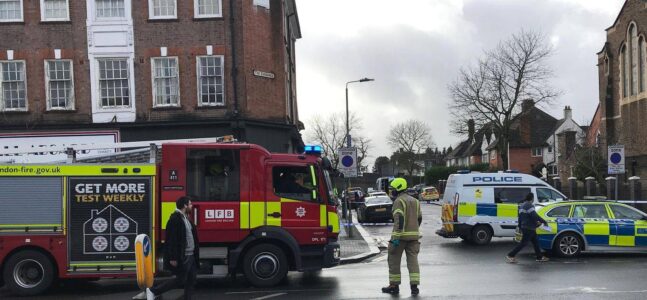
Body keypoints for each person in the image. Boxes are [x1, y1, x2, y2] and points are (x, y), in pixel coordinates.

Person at [147, 196, 200, 300]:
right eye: (190, 204)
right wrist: (173, 257)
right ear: (185, 205)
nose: (191, 206)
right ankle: (154, 291)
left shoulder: (185, 218)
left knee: (191, 280)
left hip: (191, 255)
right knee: (180, 280)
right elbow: (171, 240)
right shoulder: (175, 219)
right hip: (184, 256)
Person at [382, 178, 422, 296]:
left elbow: (399, 220)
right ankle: (414, 287)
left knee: (393, 259)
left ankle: (394, 286)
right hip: (414, 237)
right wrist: (414, 229)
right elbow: (419, 218)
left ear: (398, 189)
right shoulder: (415, 201)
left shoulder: (398, 201)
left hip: (400, 238)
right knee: (413, 261)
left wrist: (395, 238)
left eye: (393, 189)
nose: (391, 192)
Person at [506, 193, 550, 263]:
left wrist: (520, 226)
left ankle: (539, 257)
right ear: (532, 198)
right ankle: (511, 255)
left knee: (535, 242)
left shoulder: (522, 205)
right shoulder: (529, 205)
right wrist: (543, 221)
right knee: (523, 243)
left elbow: (520, 217)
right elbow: (534, 216)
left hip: (527, 227)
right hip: (529, 228)